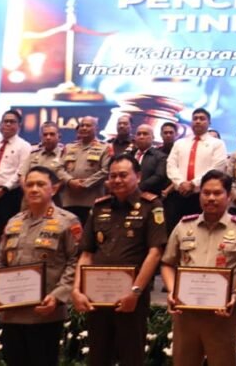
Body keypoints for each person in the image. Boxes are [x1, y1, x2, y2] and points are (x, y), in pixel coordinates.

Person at [72, 154, 167, 365]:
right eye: (113, 176)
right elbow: (86, 253)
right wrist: (77, 290)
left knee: (131, 356)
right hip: (96, 296)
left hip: (132, 297)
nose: (117, 180)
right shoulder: (99, 207)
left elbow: (155, 253)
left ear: (138, 176)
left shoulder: (151, 206)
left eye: (123, 175)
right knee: (97, 356)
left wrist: (135, 292)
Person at [161, 169, 236, 366]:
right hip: (186, 314)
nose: (211, 198)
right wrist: (171, 291)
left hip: (222, 315)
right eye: (206, 192)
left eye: (217, 193)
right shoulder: (184, 225)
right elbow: (167, 264)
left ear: (229, 196)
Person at [0, 166, 82, 366]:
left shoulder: (67, 222)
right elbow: (0, 260)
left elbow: (75, 261)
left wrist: (59, 295)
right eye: (30, 184)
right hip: (11, 312)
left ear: (55, 188)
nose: (34, 189)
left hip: (45, 312)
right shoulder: (13, 222)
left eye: (41, 184)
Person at [166, 108, 228, 227]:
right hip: (179, 194)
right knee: (175, 229)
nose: (198, 121)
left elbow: (216, 168)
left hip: (203, 195)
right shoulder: (180, 143)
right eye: (195, 119)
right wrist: (181, 183)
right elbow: (171, 165)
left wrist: (193, 183)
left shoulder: (217, 144)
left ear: (209, 123)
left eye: (202, 119)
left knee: (200, 229)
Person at [0, 109, 33, 257]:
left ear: (19, 125)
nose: (8, 124)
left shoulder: (24, 146)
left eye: (12, 121)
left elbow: (20, 172)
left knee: (5, 232)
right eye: (5, 121)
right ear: (0, 125)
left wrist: (3, 189)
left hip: (9, 195)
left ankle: (1, 266)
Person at [60, 115, 108, 225]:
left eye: (88, 125)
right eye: (82, 125)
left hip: (92, 200)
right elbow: (59, 169)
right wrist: (70, 181)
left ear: (96, 129)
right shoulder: (69, 147)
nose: (84, 128)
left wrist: (85, 184)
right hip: (69, 200)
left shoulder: (104, 148)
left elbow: (106, 170)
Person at [131, 123, 170, 197]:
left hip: (148, 198)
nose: (141, 137)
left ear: (153, 137)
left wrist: (137, 188)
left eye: (145, 134)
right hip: (126, 195)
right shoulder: (129, 155)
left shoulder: (161, 157)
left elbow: (159, 176)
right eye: (138, 134)